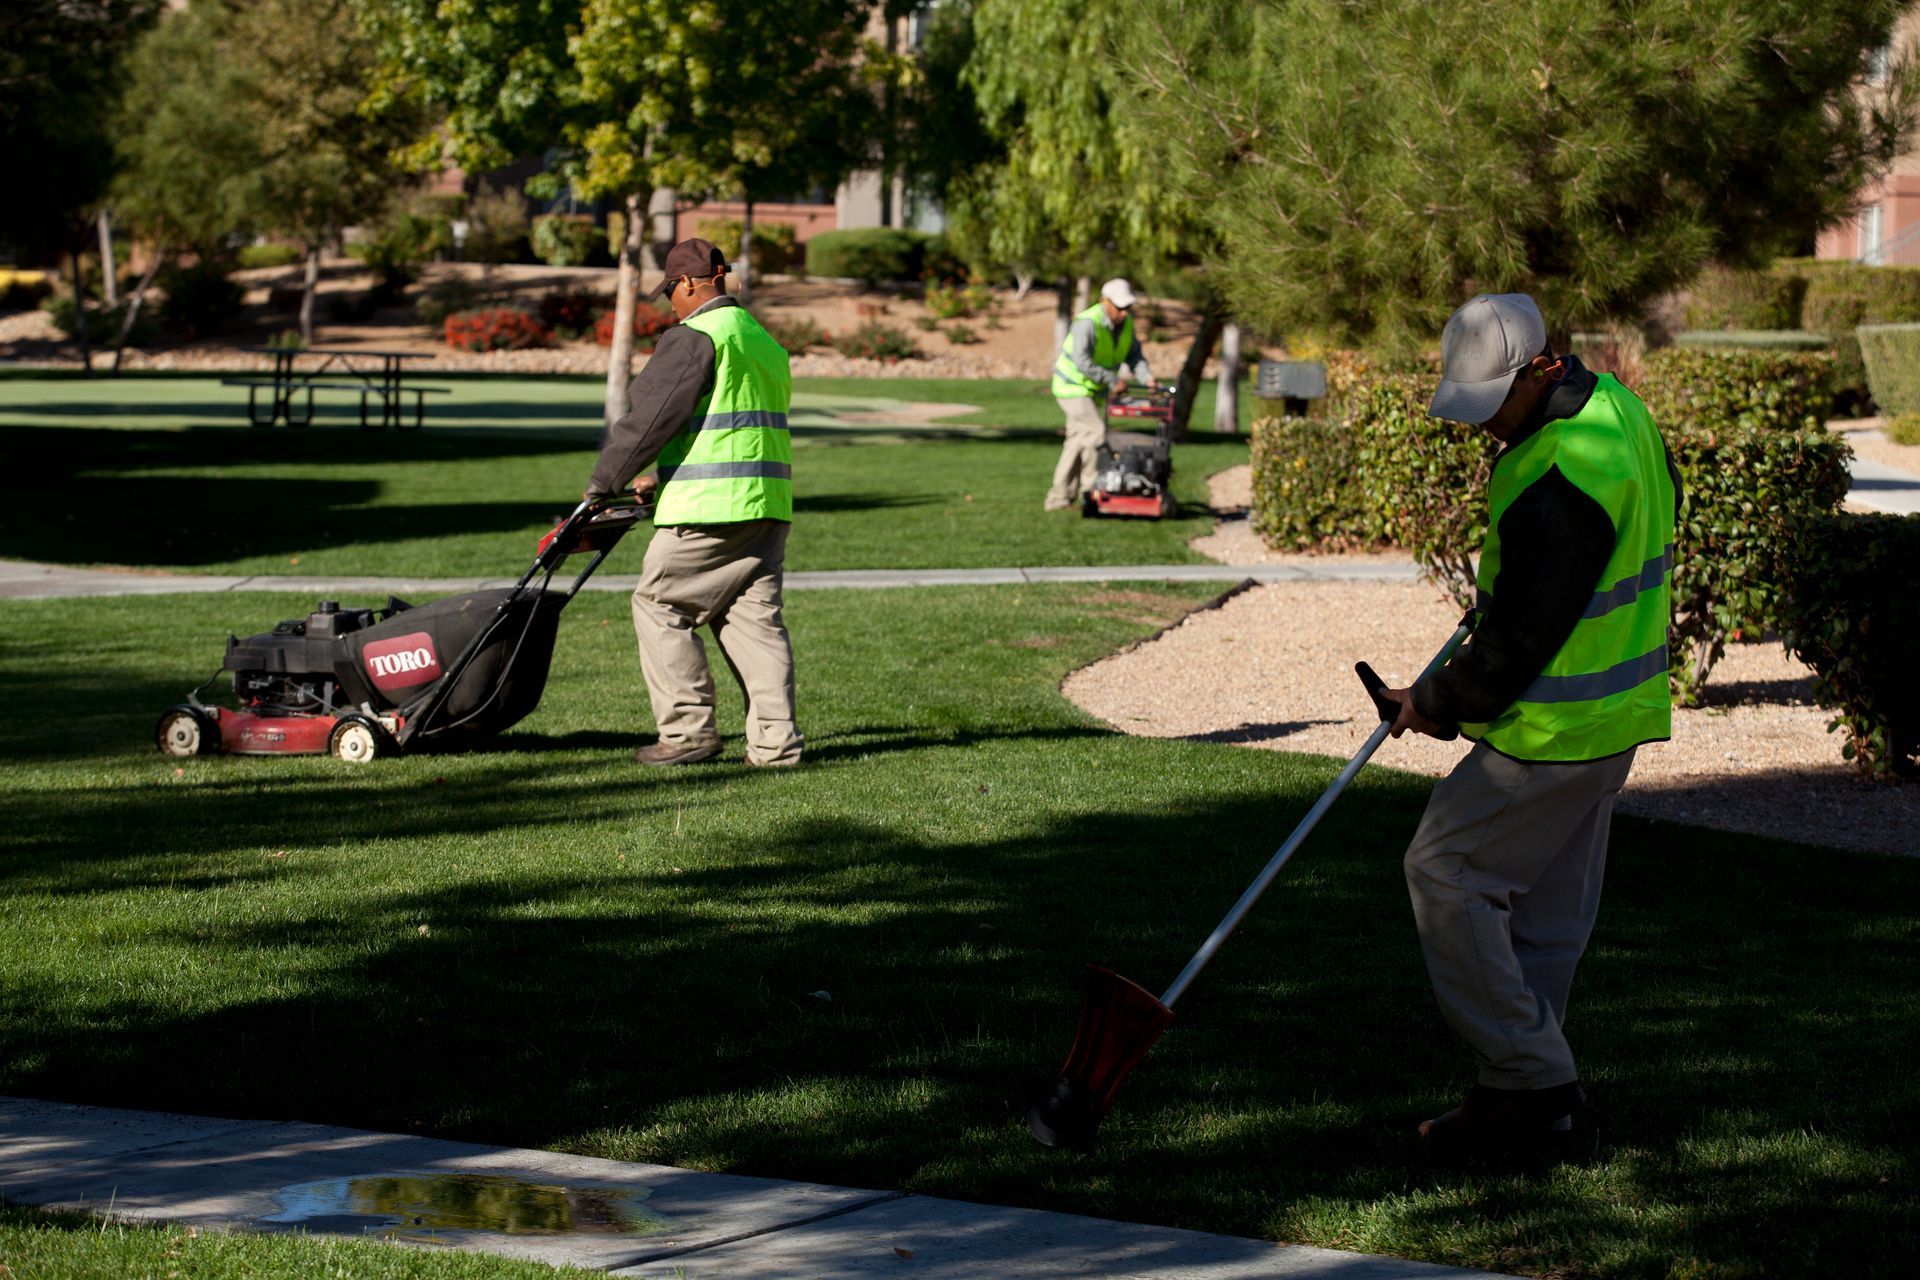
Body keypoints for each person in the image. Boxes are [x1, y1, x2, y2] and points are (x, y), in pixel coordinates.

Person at [1378, 293, 1679, 1150]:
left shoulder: (1557, 476)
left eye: (1491, 403)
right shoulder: (1621, 410)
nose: (1480, 425)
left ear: (1543, 368)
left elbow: (1515, 645)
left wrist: (1432, 703)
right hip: (1614, 718)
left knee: (1445, 872)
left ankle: (1532, 1082)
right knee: (1544, 918)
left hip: (1553, 732)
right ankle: (1523, 1103)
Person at [583, 237, 803, 767]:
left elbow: (649, 419)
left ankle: (688, 734)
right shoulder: (759, 339)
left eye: (670, 293)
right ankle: (776, 745)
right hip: (765, 505)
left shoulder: (695, 336)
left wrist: (603, 483)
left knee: (660, 603)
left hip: (709, 512)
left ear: (688, 284)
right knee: (754, 622)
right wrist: (663, 477)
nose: (670, 306)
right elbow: (729, 427)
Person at [1045, 278, 1156, 511]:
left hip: (1092, 391)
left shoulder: (1125, 325)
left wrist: (1147, 378)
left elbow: (1134, 355)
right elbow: (1081, 360)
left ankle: (1058, 498)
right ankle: (1092, 494)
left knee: (1076, 441)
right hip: (1072, 387)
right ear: (1104, 301)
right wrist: (1113, 380)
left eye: (1128, 308)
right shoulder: (1087, 322)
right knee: (1096, 433)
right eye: (1119, 307)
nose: (1124, 313)